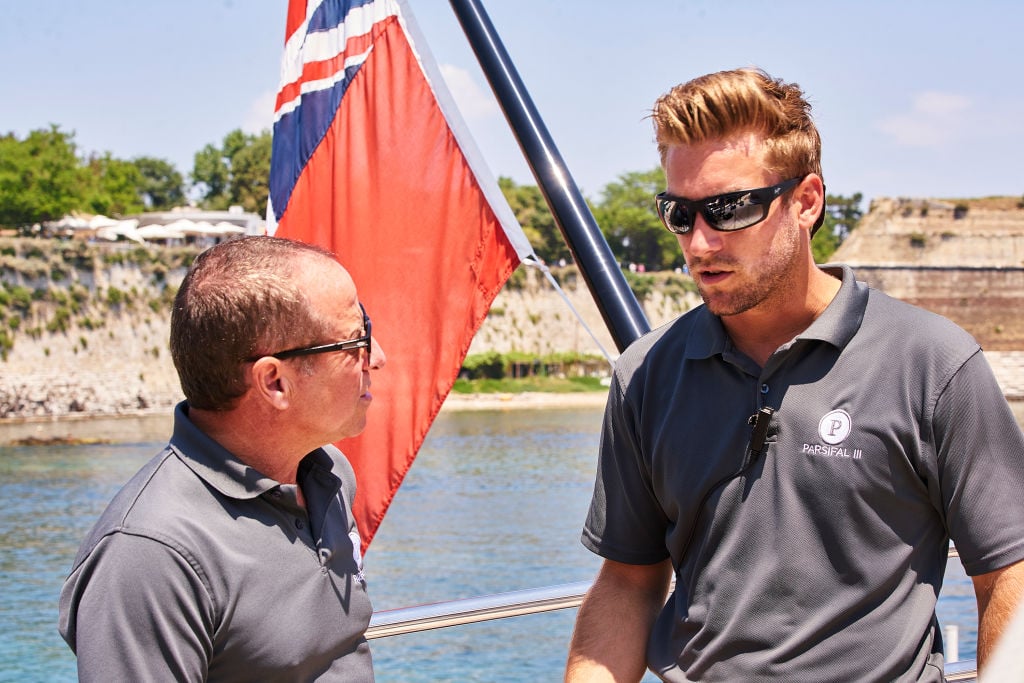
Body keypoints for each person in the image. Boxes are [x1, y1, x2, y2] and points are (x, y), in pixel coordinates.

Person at [565, 68, 1024, 682]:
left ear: (806, 202)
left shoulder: (931, 362)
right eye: (680, 213)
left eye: (728, 209)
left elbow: (1008, 576)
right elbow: (627, 580)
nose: (699, 244)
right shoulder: (644, 375)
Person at [59, 235, 386, 681]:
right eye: (355, 341)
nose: (378, 357)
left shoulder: (327, 475)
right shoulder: (151, 555)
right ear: (274, 382)